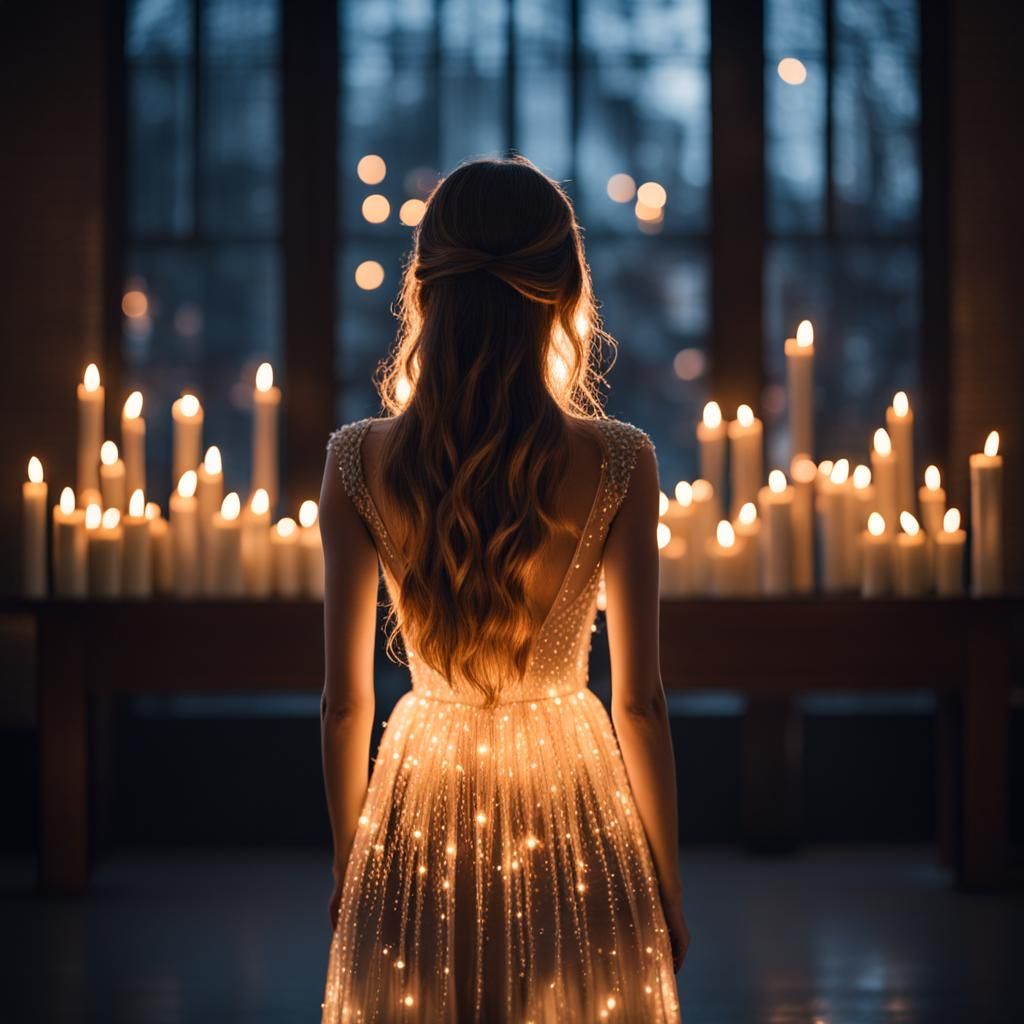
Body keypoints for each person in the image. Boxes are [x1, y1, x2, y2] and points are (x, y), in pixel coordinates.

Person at [318, 154, 689, 1022]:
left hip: (419, 803)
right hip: (570, 809)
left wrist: (350, 864)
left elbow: (344, 705)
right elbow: (639, 704)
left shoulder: (354, 461)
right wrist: (667, 884)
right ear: (565, 296)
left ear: (423, 292)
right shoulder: (621, 461)